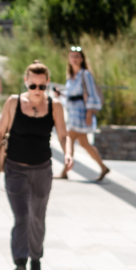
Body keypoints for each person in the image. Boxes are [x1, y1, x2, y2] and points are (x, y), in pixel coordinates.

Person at [0, 61, 74, 270]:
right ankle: (21, 262)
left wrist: (68, 154)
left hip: (42, 169)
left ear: (47, 85)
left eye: (42, 87)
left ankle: (36, 259)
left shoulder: (55, 106)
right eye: (33, 86)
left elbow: (64, 135)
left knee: (37, 217)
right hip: (15, 168)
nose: (37, 91)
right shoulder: (13, 103)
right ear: (26, 82)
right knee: (22, 216)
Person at [58, 45, 109, 182]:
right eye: (72, 56)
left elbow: (92, 94)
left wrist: (89, 113)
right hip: (73, 112)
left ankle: (65, 170)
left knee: (68, 138)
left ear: (82, 59)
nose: (74, 59)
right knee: (84, 144)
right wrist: (60, 94)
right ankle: (103, 167)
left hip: (82, 112)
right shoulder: (71, 76)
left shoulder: (85, 74)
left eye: (77, 56)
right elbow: (70, 96)